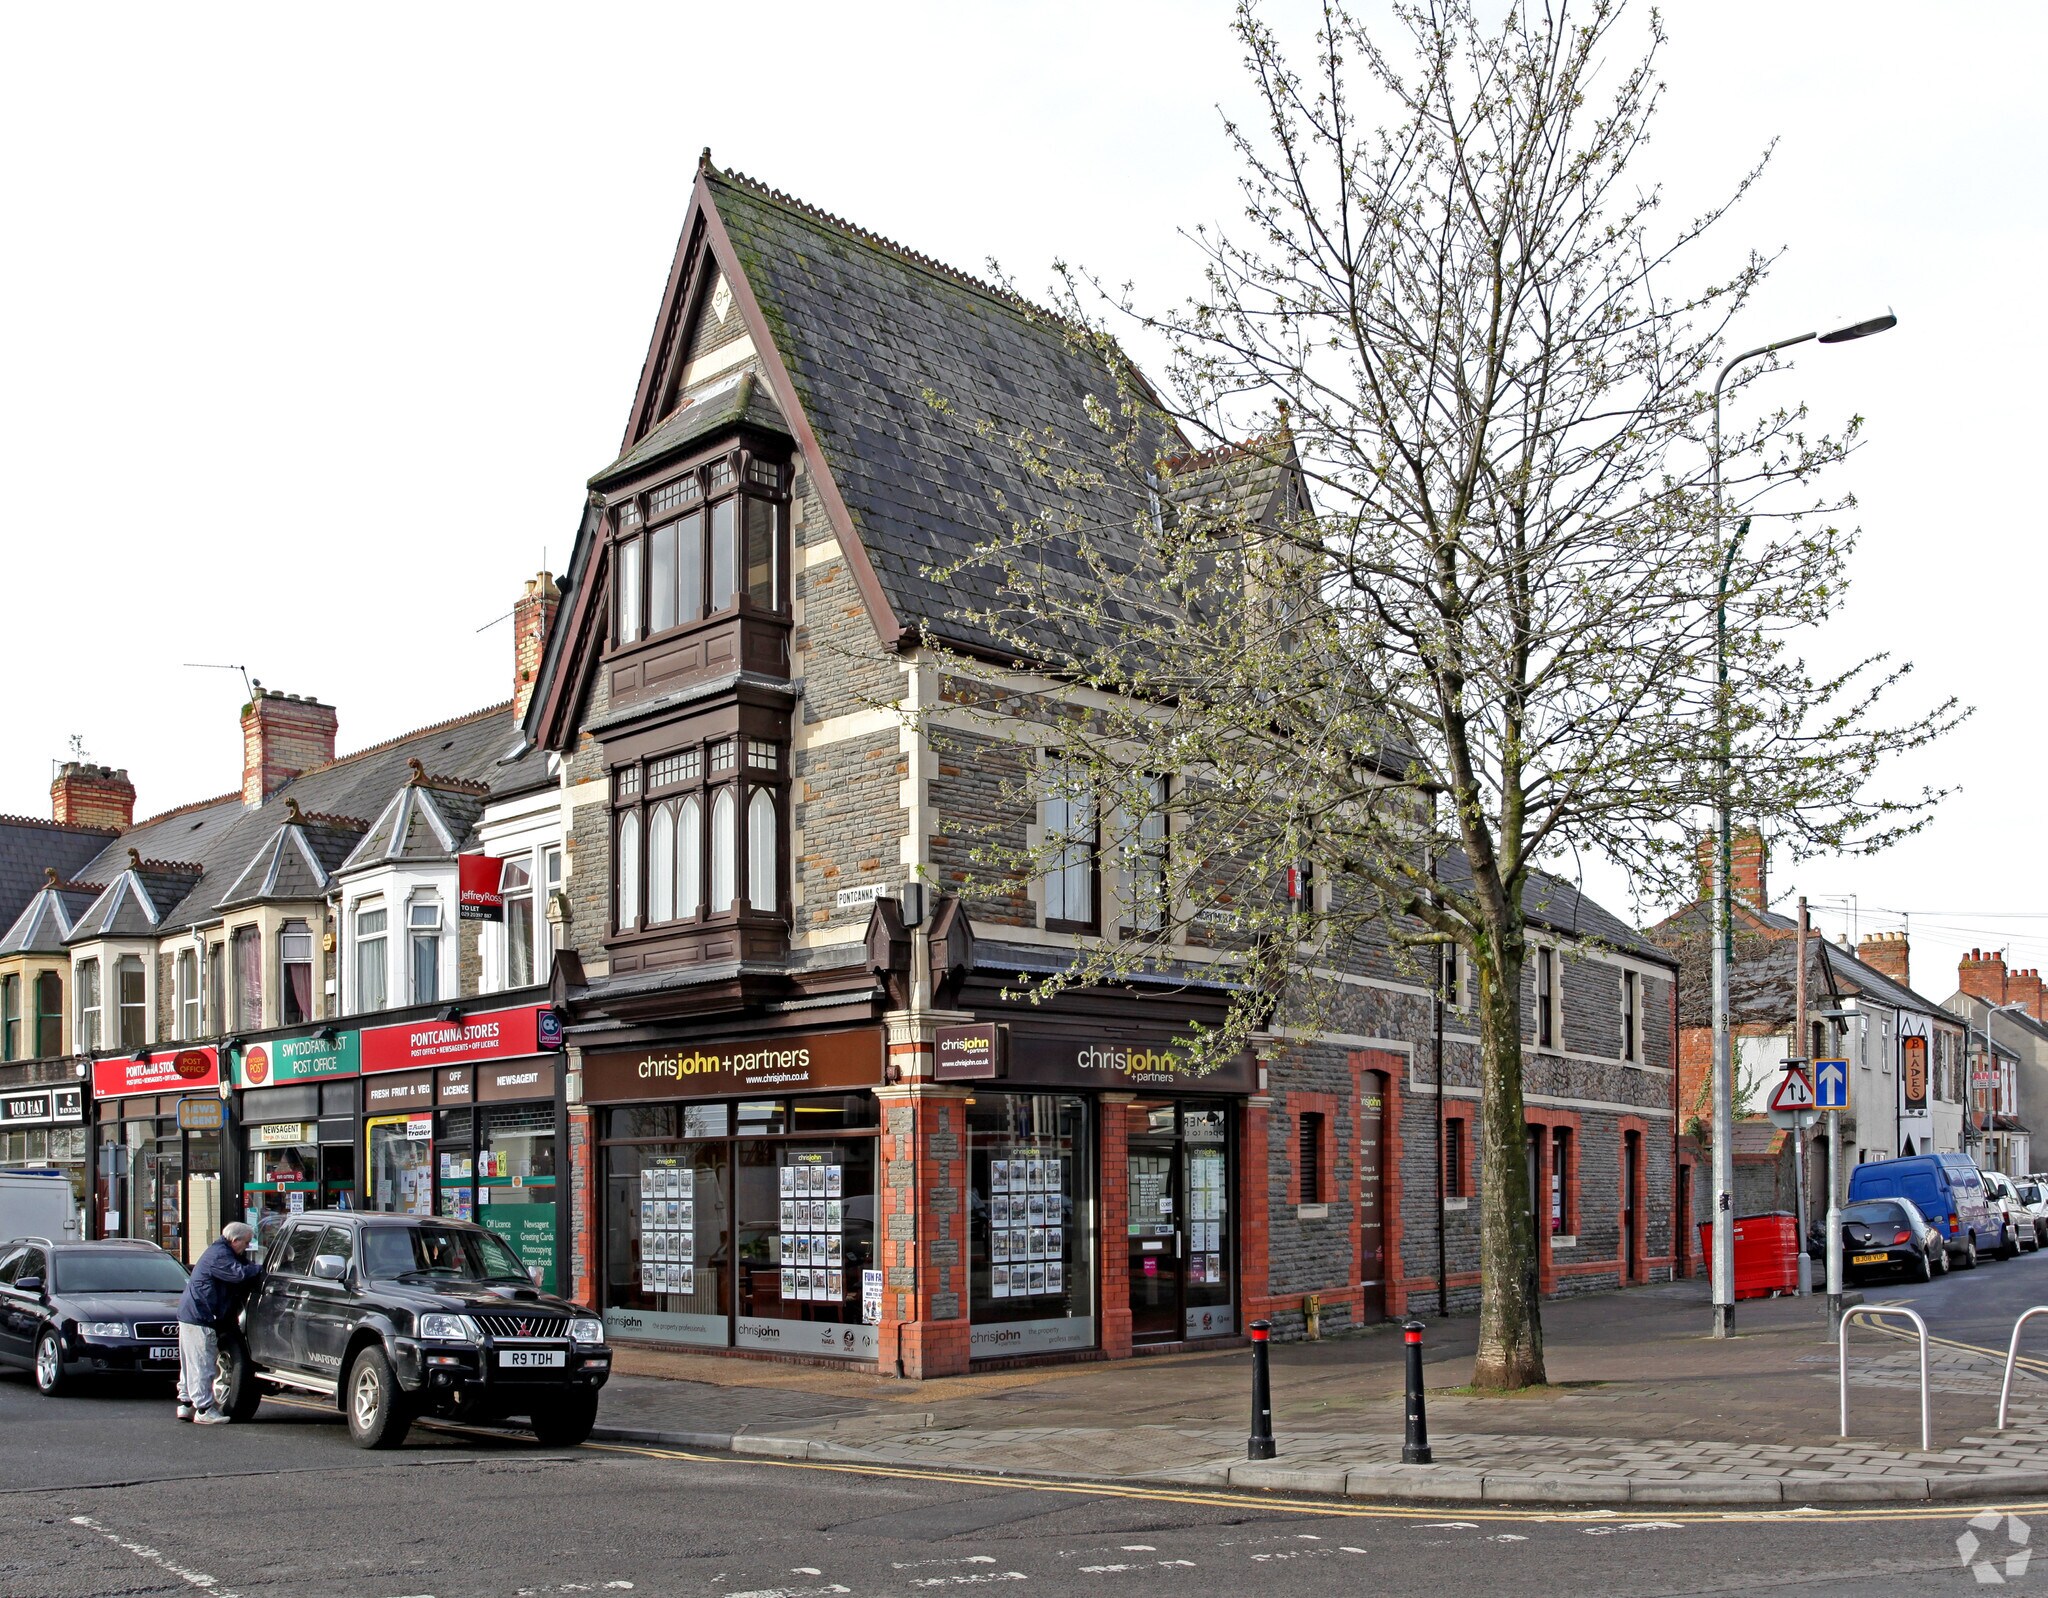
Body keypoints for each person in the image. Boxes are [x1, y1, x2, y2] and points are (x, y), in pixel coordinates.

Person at [176, 1221, 264, 1424]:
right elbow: (239, 1274)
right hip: (201, 1315)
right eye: (247, 1243)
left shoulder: (220, 1252)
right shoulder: (220, 1256)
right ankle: (204, 1409)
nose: (247, 1247)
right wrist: (262, 1269)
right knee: (202, 1363)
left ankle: (187, 1404)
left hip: (192, 1313)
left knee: (190, 1362)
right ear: (235, 1240)